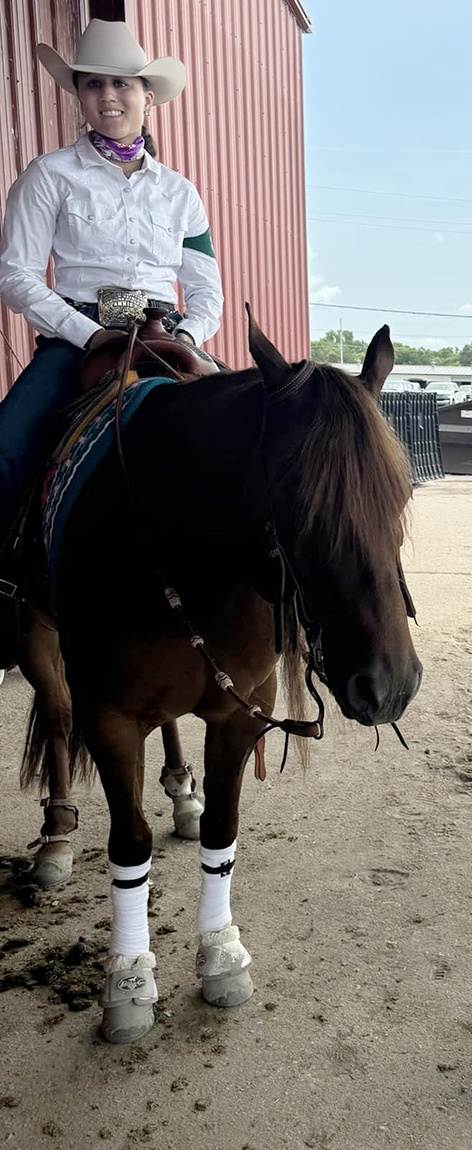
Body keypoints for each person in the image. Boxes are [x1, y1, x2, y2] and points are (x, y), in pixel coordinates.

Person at [0, 18, 223, 665]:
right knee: (8, 446)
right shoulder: (49, 177)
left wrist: (189, 333)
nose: (108, 97)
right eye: (93, 84)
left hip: (165, 332)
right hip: (81, 335)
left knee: (257, 430)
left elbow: (204, 286)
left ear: (146, 95)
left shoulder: (181, 193)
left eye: (122, 84)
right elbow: (15, 275)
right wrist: (86, 330)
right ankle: (10, 599)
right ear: (79, 95)